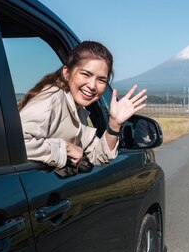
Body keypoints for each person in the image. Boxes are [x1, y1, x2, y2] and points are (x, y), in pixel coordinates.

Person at [18, 41, 146, 170]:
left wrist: (114, 123)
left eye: (101, 80)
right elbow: (13, 144)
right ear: (67, 73)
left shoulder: (77, 110)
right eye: (86, 74)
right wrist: (65, 148)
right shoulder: (51, 100)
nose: (92, 85)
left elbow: (99, 156)